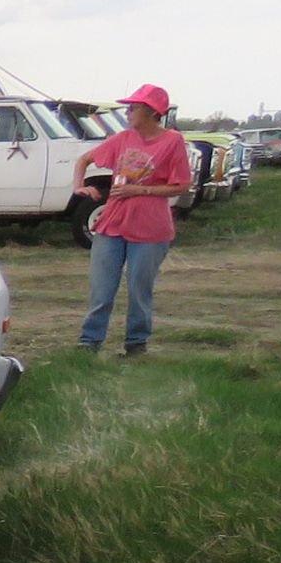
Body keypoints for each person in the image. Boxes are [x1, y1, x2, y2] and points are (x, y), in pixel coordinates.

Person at [71, 83, 192, 357]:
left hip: (151, 228)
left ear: (151, 112)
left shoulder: (172, 141)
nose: (128, 112)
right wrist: (79, 186)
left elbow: (181, 185)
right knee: (102, 289)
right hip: (112, 223)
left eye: (133, 108)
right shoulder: (123, 139)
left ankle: (136, 345)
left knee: (139, 290)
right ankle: (89, 342)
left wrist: (140, 190)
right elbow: (84, 160)